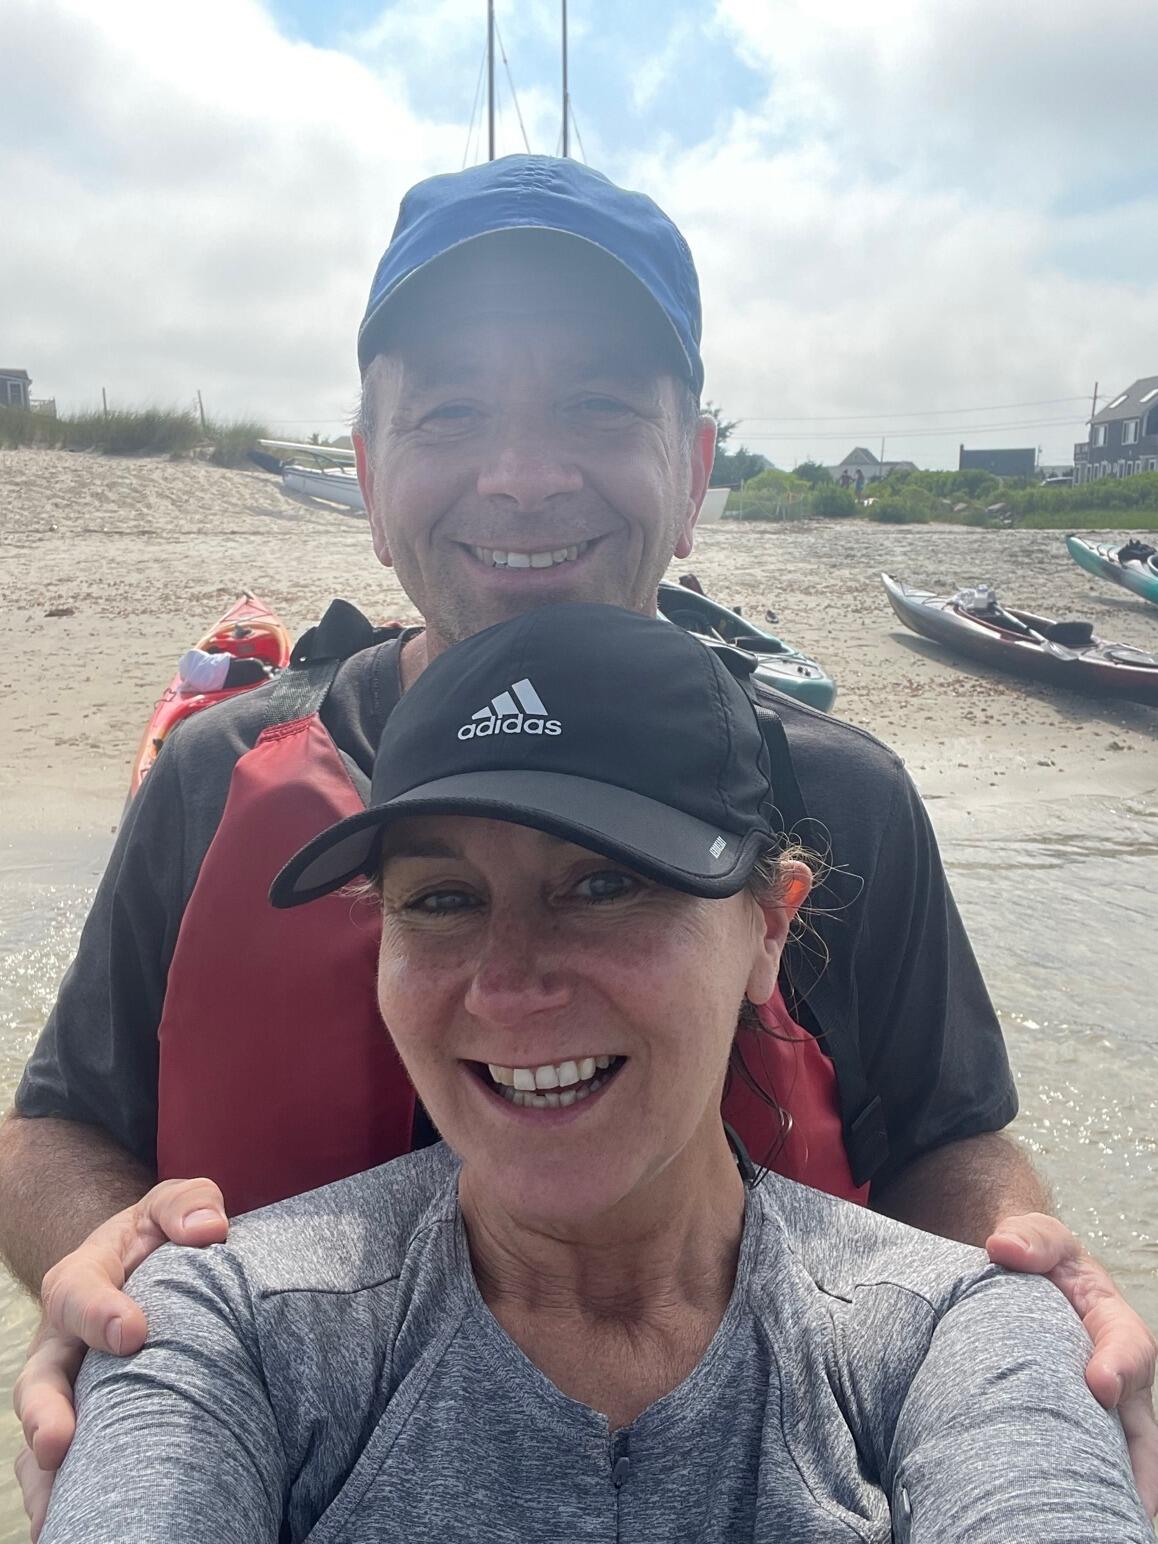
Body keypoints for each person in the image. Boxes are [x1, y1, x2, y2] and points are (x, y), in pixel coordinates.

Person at [3, 156, 1155, 1531]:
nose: (523, 476)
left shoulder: (836, 794)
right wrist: (132, 1324)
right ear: (369, 475)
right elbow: (62, 1124)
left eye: (598, 406)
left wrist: (1015, 1338)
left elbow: (946, 1140)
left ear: (692, 469)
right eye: (450, 410)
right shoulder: (219, 778)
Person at [37, 606, 1152, 1542]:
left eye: (607, 886)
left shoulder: (959, 1338)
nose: (511, 986)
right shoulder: (218, 1327)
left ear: (770, 927)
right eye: (440, 898)